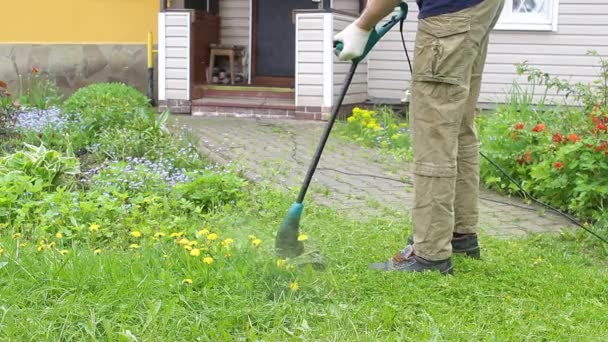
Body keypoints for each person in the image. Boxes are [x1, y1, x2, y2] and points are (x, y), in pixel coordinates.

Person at [334, 0, 505, 275]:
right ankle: (460, 235)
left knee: (434, 129)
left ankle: (430, 254)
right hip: (479, 6)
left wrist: (362, 25)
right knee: (458, 124)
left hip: (450, 13)